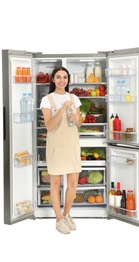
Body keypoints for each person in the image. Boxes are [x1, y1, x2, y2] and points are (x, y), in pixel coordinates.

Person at [40, 67, 82, 234]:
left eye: (65, 77)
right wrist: (63, 109)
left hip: (72, 145)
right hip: (56, 147)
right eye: (58, 77)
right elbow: (49, 126)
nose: (62, 80)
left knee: (72, 184)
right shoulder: (47, 100)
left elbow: (78, 125)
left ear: (68, 80)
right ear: (53, 79)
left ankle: (66, 215)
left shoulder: (74, 98)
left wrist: (76, 119)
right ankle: (58, 220)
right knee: (55, 184)